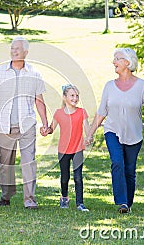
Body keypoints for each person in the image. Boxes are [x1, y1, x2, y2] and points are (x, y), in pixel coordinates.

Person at [87, 48, 144, 213]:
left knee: (130, 170)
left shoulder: (141, 85)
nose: (113, 62)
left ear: (127, 63)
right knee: (117, 162)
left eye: (117, 59)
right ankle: (121, 202)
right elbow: (102, 111)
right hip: (112, 130)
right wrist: (91, 132)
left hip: (134, 134)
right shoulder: (109, 86)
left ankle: (127, 204)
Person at [0, 36, 48, 209]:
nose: (14, 51)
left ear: (26, 52)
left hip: (27, 125)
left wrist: (45, 123)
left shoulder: (34, 73)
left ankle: (30, 199)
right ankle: (6, 195)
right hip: (4, 126)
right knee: (6, 164)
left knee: (29, 163)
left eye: (17, 49)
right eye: (12, 48)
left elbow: (39, 100)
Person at [42, 84, 91, 212]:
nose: (75, 98)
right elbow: (52, 128)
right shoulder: (58, 113)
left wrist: (89, 137)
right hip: (63, 150)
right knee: (65, 177)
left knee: (78, 177)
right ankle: (64, 197)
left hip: (78, 149)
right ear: (64, 97)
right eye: (72, 96)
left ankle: (80, 203)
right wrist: (46, 130)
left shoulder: (81, 112)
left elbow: (87, 127)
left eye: (77, 96)